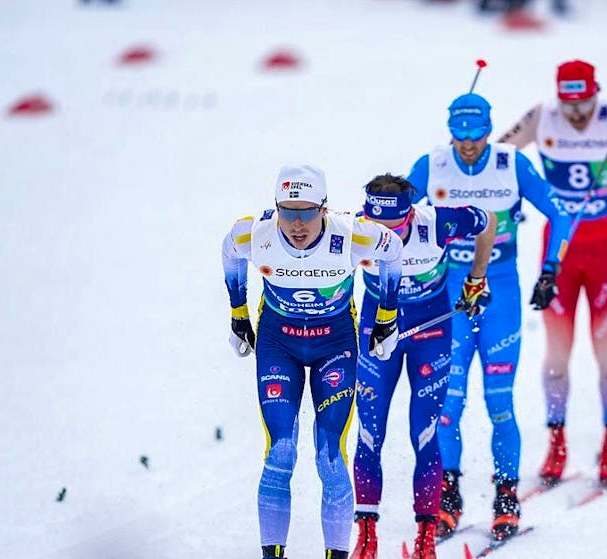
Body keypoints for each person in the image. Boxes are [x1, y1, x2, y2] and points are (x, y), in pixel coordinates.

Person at [406, 92, 572, 540]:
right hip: (448, 297)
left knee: (499, 401)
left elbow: (560, 214)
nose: (468, 144)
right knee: (447, 405)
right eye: (459, 135)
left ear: (487, 128)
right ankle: (449, 494)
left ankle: (506, 495)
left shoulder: (510, 164)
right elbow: (396, 220)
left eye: (476, 134)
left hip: (500, 292)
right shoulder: (432, 165)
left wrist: (550, 270)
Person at [222, 164, 402, 559]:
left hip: (333, 345)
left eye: (307, 212)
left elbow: (394, 252)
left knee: (330, 455)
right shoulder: (256, 232)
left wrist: (387, 316)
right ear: (276, 209)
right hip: (278, 344)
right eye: (288, 212)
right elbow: (229, 250)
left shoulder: (351, 232)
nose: (297, 224)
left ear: (325, 208)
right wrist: (238, 312)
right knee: (281, 450)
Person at [498, 60, 607, 486]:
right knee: (556, 357)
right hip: (559, 252)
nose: (576, 113)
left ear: (597, 92)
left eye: (584, 102)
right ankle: (557, 441)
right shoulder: (543, 116)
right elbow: (498, 155)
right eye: (569, 103)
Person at [350, 174, 496, 559]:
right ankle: (366, 536)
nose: (385, 238)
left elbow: (488, 220)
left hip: (430, 334)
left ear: (410, 214)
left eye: (394, 229)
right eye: (377, 228)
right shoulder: (353, 228)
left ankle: (426, 538)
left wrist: (476, 280)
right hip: (376, 333)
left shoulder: (436, 223)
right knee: (369, 431)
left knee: (425, 434)